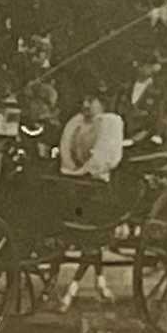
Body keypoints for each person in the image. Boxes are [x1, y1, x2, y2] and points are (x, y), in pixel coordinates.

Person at [56, 84, 126, 311]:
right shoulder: (76, 123)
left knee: (91, 241)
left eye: (91, 101)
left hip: (99, 184)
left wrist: (85, 172)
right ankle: (100, 282)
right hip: (76, 179)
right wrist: (71, 170)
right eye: (84, 100)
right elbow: (66, 149)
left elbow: (104, 157)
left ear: (101, 102)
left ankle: (74, 289)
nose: (86, 105)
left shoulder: (110, 123)